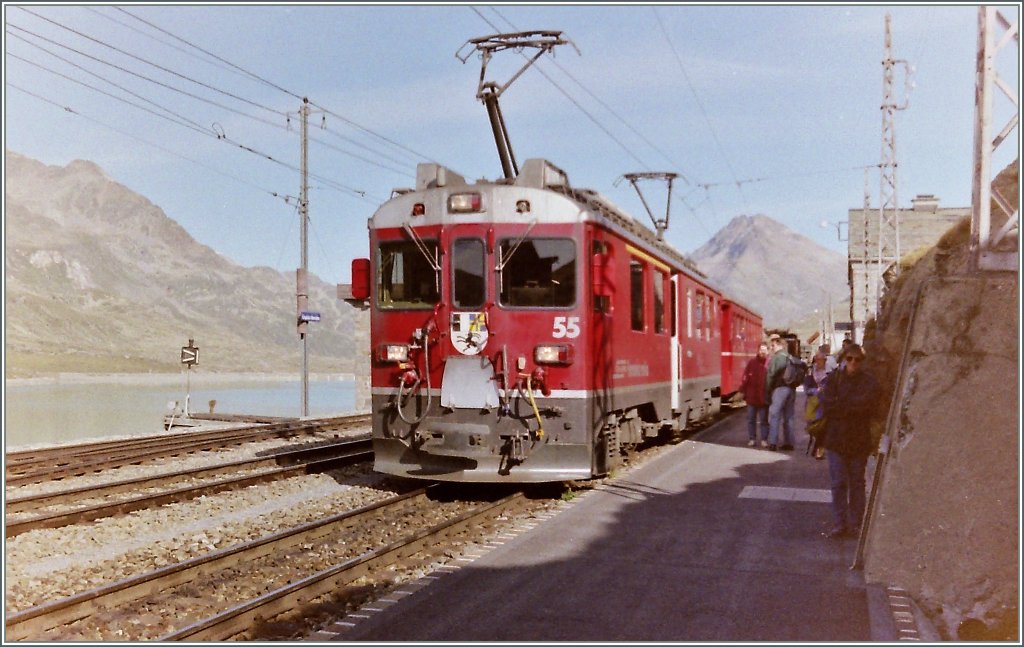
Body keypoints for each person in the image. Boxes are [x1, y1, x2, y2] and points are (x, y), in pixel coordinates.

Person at [820, 343, 879, 539]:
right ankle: (839, 524)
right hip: (836, 440)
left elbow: (868, 406)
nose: (853, 362)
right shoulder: (833, 380)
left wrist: (842, 405)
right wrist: (852, 406)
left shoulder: (869, 382)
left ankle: (856, 525)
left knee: (857, 484)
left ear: (863, 361)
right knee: (838, 483)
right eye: (850, 358)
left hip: (859, 441)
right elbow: (826, 404)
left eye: (858, 359)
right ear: (844, 359)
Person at [764, 335, 796, 451]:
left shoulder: (777, 358)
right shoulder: (790, 357)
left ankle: (773, 442)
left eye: (773, 345)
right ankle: (789, 442)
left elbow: (770, 376)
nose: (771, 348)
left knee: (774, 416)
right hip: (791, 390)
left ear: (779, 345)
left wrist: (767, 392)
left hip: (779, 389)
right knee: (789, 417)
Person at [738, 343, 770, 447]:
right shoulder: (751, 363)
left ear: (768, 351)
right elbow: (746, 377)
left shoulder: (769, 363)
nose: (762, 352)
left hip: (763, 397)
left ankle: (764, 439)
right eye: (761, 350)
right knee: (751, 420)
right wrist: (742, 390)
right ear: (758, 351)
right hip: (752, 397)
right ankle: (752, 439)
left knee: (764, 420)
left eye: (764, 350)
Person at [803, 348, 830, 459]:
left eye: (821, 359)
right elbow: (806, 389)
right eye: (817, 359)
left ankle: (819, 449)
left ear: (825, 360)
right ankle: (817, 447)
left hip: (825, 405)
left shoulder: (830, 374)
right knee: (813, 427)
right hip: (812, 405)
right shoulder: (810, 374)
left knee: (823, 427)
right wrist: (815, 391)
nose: (819, 362)